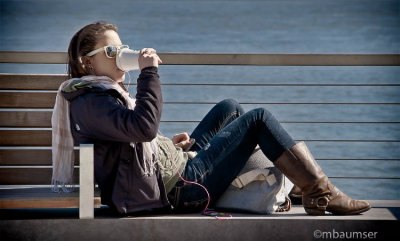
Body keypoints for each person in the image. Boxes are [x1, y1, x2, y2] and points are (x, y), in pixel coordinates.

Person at [52, 20, 371, 216]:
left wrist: (170, 145)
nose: (120, 55)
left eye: (122, 48)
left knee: (229, 107)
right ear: (86, 63)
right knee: (258, 118)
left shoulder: (99, 94)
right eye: (111, 52)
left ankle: (297, 188)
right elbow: (143, 127)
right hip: (177, 190)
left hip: (170, 169)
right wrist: (148, 73)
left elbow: (137, 139)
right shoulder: (92, 101)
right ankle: (320, 192)